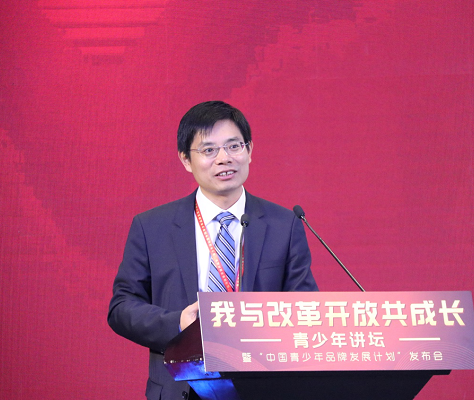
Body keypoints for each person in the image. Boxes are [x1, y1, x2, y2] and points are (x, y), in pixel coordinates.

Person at [107, 101, 318, 400]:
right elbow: (122, 307)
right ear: (185, 159)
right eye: (209, 150)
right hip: (182, 389)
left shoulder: (285, 224)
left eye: (234, 146)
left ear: (249, 150)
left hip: (264, 387)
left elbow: (305, 307)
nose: (224, 158)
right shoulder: (152, 227)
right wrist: (179, 323)